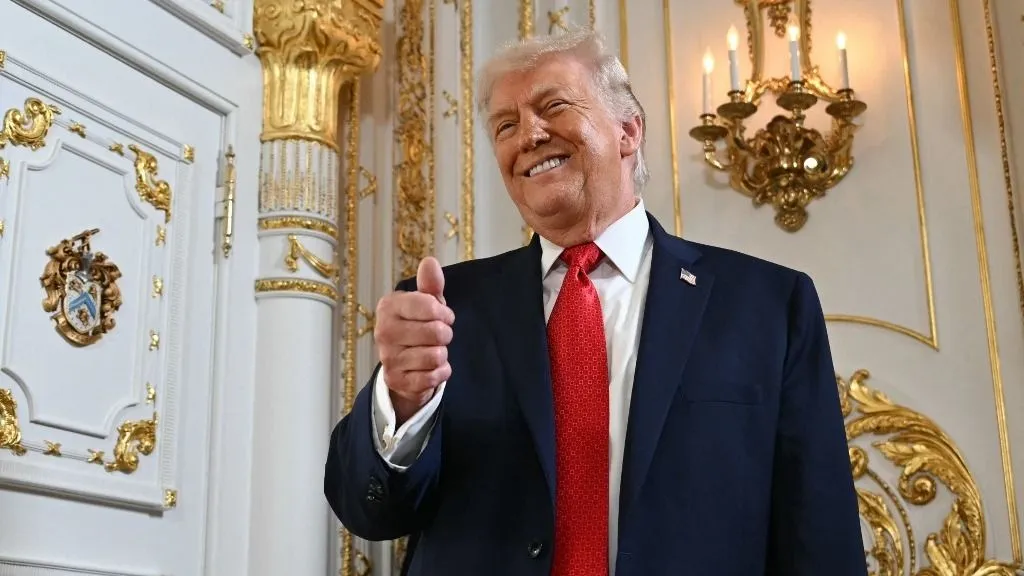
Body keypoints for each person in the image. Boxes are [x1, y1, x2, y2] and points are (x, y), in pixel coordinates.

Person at [324, 29, 866, 576]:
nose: (528, 136)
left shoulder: (768, 305)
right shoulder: (442, 310)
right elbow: (368, 511)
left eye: (552, 106)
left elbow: (819, 532)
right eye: (505, 126)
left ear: (629, 131)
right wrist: (402, 401)